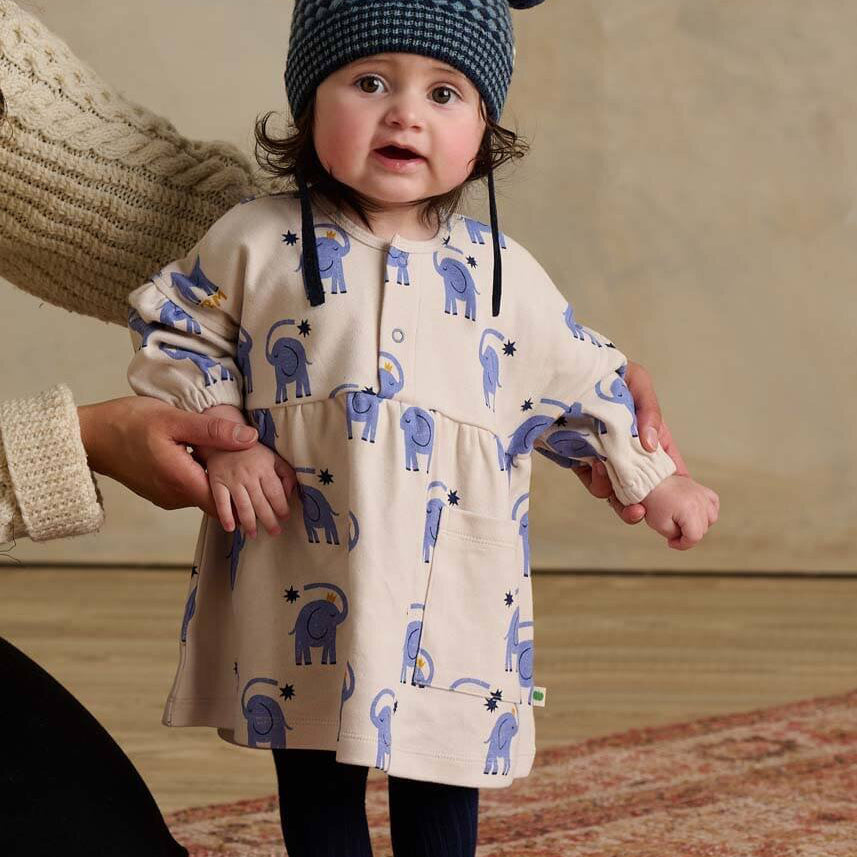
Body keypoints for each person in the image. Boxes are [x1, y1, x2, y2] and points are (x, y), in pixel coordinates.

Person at [122, 1, 719, 855]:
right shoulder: (254, 239)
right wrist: (227, 435)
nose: (405, 112)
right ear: (307, 104)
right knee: (313, 762)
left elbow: (582, 377)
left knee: (442, 764)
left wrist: (650, 473)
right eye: (369, 82)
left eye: (445, 93)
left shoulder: (500, 271)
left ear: (483, 130)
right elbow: (179, 331)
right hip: (301, 557)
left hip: (454, 586)